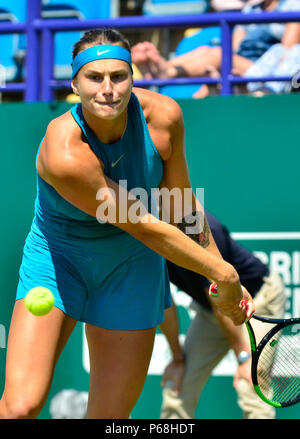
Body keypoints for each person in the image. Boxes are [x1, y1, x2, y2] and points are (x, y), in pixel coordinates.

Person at [0, 28, 254, 419]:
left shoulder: (165, 117)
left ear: (133, 78)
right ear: (75, 83)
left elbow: (181, 207)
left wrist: (218, 281)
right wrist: (224, 272)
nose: (108, 89)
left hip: (131, 265)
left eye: (118, 76)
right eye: (94, 77)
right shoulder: (64, 151)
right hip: (58, 259)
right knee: (20, 408)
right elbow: (144, 224)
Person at [159, 210, 286, 419]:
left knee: (251, 384)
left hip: (258, 302)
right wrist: (177, 359)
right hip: (212, 311)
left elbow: (222, 296)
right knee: (178, 385)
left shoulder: (201, 230)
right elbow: (164, 303)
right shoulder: (148, 238)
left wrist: (244, 357)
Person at [131, 0, 300, 98]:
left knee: (219, 56)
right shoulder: (252, 9)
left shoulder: (292, 6)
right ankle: (162, 71)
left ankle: (165, 71)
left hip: (268, 69)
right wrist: (230, 67)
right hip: (243, 66)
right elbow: (233, 46)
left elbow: (287, 51)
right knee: (209, 53)